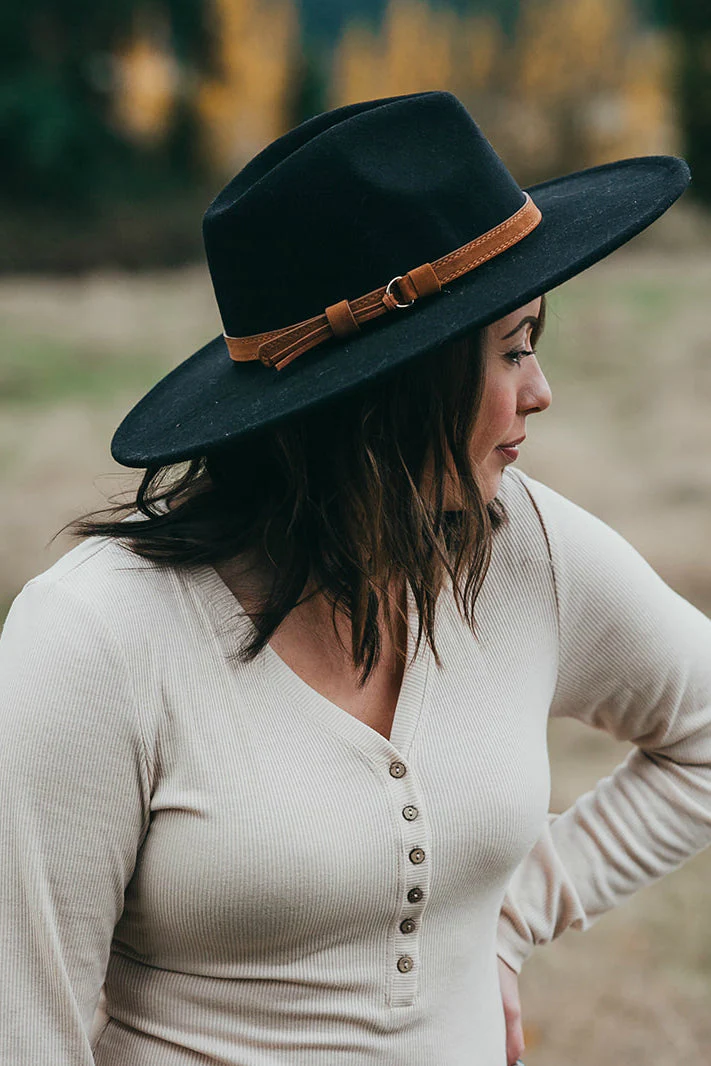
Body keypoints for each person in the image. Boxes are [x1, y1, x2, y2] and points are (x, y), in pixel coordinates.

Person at [1, 90, 708, 1066]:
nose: (539, 390)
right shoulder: (95, 638)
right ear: (389, 390)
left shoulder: (524, 548)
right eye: (511, 350)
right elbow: (25, 1030)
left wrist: (509, 921)